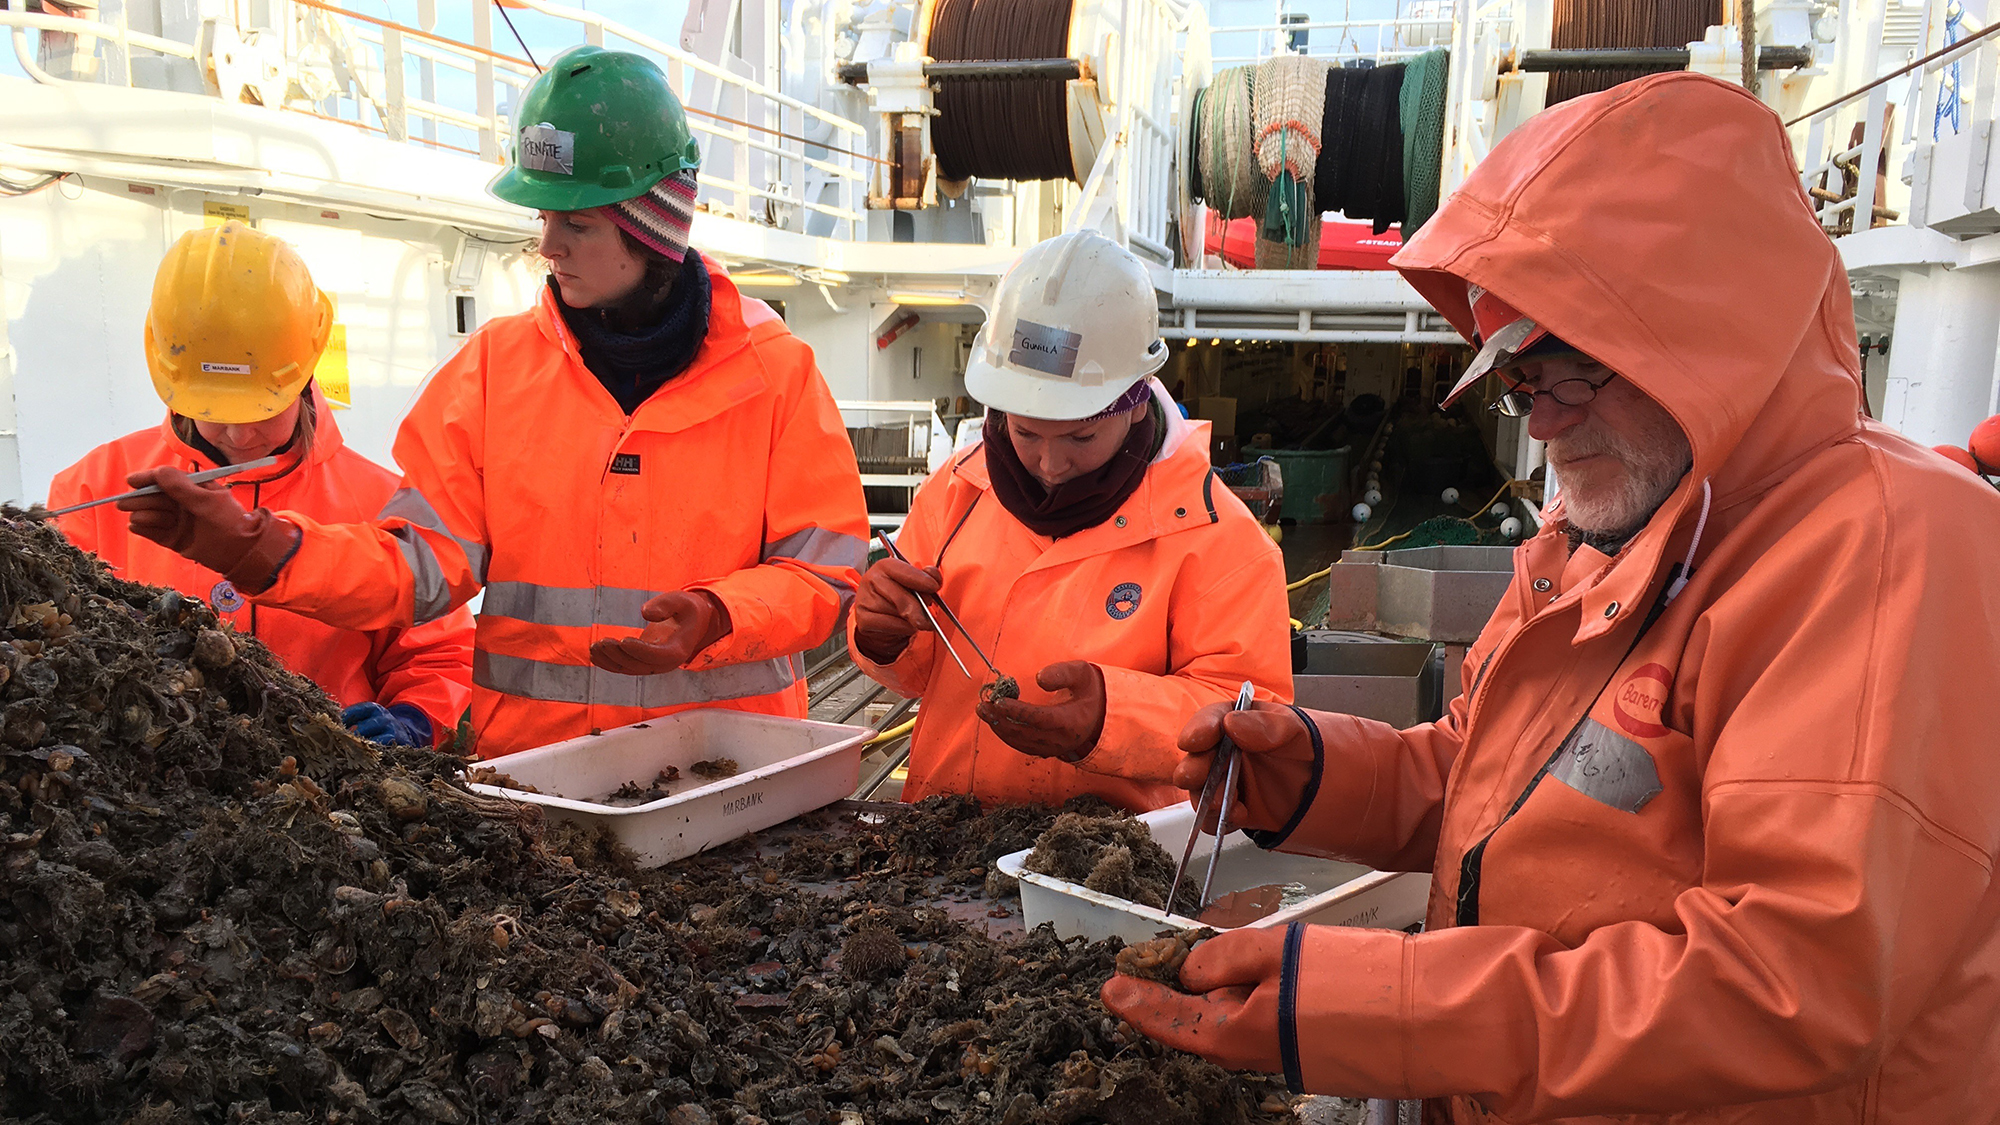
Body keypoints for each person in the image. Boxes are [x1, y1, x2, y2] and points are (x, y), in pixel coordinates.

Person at [1103, 73, 2000, 1121]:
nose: (1538, 426)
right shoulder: (1601, 532)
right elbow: (1483, 777)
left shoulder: (1886, 551)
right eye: (1517, 386)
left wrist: (1375, 1008)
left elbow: (1790, 982)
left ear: (1704, 339)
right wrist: (1306, 770)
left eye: (1566, 375)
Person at [114, 47, 868, 759]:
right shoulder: (490, 373)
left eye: (575, 222)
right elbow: (416, 568)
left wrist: (718, 615)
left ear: (652, 226)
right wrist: (264, 547)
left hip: (729, 779)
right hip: (542, 796)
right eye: (543, 218)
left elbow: (827, 576)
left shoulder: (775, 375)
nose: (550, 245)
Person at [849, 231, 1292, 811]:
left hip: (1110, 873)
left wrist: (1111, 720)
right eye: (1026, 431)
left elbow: (1254, 729)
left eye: (1081, 436)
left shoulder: (1224, 541)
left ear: (1135, 403)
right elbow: (920, 673)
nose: (1049, 466)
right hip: (941, 852)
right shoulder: (954, 492)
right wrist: (880, 635)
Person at [50, 223, 473, 748]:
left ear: (305, 371)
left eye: (262, 407)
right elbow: (61, 646)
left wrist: (414, 719)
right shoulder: (96, 489)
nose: (239, 432)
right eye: (213, 410)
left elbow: (438, 653)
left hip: (324, 785)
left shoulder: (381, 500)